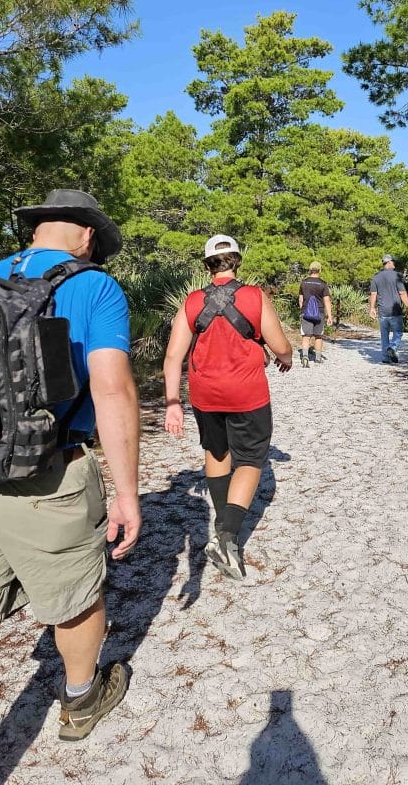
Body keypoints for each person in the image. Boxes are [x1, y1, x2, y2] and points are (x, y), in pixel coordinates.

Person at [0, 189, 141, 782]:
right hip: (48, 479)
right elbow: (111, 390)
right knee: (75, 599)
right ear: (88, 236)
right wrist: (128, 493)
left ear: (36, 229)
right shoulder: (94, 286)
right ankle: (82, 695)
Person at [163, 234, 292, 581]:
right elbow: (279, 344)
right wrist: (287, 358)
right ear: (237, 261)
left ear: (207, 266)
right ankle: (228, 536)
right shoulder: (254, 297)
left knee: (216, 451)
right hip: (247, 394)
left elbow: (173, 358)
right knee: (249, 459)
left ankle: (222, 525)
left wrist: (173, 402)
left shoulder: (191, 303)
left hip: (205, 395)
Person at [369, 254, 408, 364]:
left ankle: (385, 358)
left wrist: (372, 308)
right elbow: (402, 293)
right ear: (389, 262)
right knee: (398, 332)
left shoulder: (376, 277)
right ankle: (392, 347)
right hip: (395, 310)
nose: (394, 263)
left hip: (382, 311)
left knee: (384, 335)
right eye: (393, 261)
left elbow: (373, 294)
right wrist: (407, 306)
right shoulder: (397, 276)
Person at [298, 260, 333, 368]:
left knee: (306, 335)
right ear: (320, 270)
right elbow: (327, 300)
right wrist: (330, 316)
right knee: (318, 336)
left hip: (306, 312)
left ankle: (305, 356)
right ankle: (317, 358)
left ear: (310, 270)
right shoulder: (323, 284)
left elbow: (300, 299)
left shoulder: (304, 282)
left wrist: (302, 310)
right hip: (319, 313)